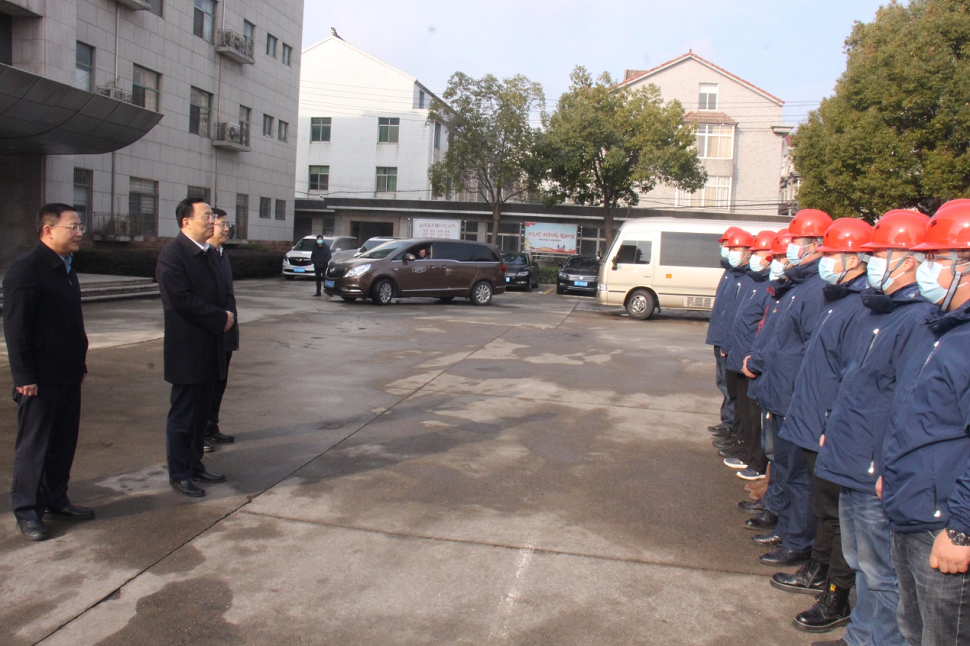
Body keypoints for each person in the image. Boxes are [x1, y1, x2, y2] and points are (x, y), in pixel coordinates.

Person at [812, 209, 931, 646]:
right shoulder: (879, 312)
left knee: (882, 572)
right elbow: (856, 383)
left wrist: (886, 464)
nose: (872, 262)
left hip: (874, 468)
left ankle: (870, 639)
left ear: (911, 260)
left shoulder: (916, 320)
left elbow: (905, 404)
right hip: (851, 456)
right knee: (860, 561)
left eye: (880, 254)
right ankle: (861, 633)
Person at [773, 217, 873, 633]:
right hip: (815, 419)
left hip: (831, 429)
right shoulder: (839, 300)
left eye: (832, 255)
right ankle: (820, 572)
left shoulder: (861, 306)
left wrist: (830, 422)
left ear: (856, 259)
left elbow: (854, 378)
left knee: (835, 516)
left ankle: (835, 594)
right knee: (824, 507)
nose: (824, 262)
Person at [880, 200, 970, 646]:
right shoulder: (945, 331)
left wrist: (962, 529)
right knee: (911, 631)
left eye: (935, 258)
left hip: (944, 530)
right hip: (911, 511)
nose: (925, 268)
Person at [743, 209, 833, 567]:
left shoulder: (815, 291)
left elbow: (811, 352)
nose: (789, 251)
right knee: (782, 464)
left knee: (797, 474)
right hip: (779, 392)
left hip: (794, 396)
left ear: (816, 245)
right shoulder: (796, 287)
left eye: (794, 243)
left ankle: (798, 539)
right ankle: (783, 522)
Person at [3, 204, 94, 541]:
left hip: (68, 374)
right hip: (38, 380)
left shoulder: (66, 268)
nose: (79, 232)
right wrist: (24, 376)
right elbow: (16, 329)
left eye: (80, 225)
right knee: (34, 446)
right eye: (72, 226)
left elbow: (71, 324)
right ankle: (27, 510)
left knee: (63, 442)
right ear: (47, 230)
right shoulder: (26, 270)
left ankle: (56, 498)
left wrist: (79, 363)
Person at [156, 198, 233, 497]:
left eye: (213, 215)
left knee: (201, 414)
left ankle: (195, 464)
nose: (212, 221)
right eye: (206, 216)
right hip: (187, 351)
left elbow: (223, 291)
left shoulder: (209, 253)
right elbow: (180, 301)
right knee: (184, 415)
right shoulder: (173, 255)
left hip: (212, 346)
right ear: (186, 222)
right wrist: (219, 317)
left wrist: (227, 314)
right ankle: (179, 472)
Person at [720, 230, 777, 481]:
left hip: (752, 361)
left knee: (756, 417)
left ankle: (754, 459)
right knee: (743, 408)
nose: (754, 257)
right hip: (740, 355)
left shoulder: (769, 287)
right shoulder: (754, 282)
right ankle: (744, 448)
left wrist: (753, 358)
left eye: (758, 253)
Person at [706, 227, 749, 437]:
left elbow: (735, 314)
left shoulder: (743, 278)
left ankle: (732, 426)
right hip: (722, 339)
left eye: (732, 246)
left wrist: (727, 343)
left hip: (728, 342)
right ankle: (728, 422)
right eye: (725, 246)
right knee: (723, 383)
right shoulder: (730, 273)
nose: (726, 250)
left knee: (730, 387)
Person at [204, 208, 238, 449]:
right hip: (211, 332)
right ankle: (201, 433)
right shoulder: (204, 256)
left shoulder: (222, 254)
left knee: (220, 382)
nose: (226, 229)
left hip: (227, 331)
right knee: (206, 385)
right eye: (222, 224)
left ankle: (211, 426)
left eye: (228, 224)